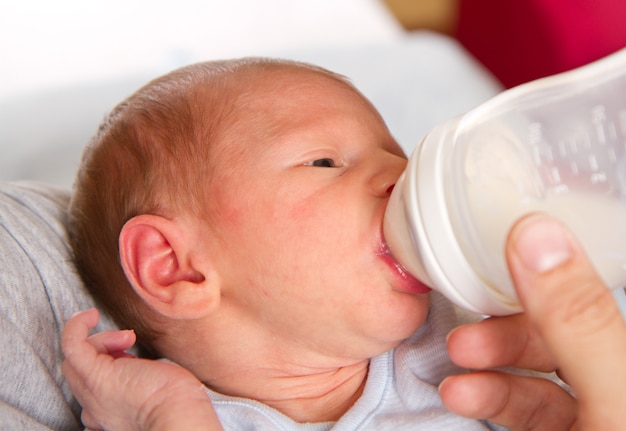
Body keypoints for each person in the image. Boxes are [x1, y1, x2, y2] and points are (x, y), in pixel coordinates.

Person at [61, 57, 624, 430]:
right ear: (175, 268)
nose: (399, 179)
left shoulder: (479, 344)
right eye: (324, 161)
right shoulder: (169, 415)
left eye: (398, 157)